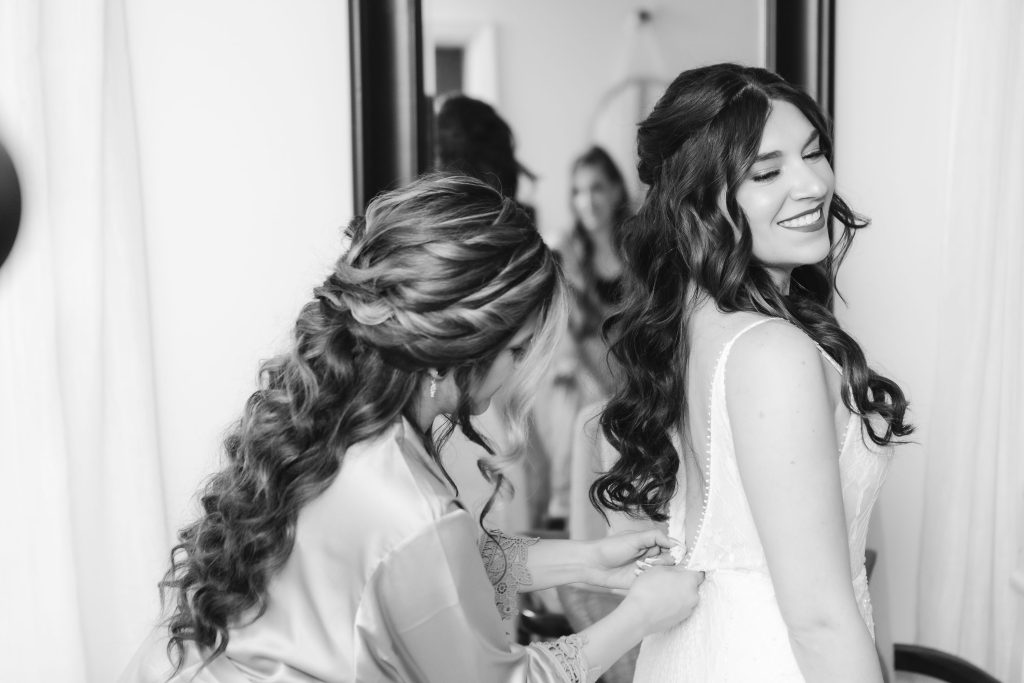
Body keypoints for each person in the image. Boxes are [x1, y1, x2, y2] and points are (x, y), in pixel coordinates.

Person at [119, 174, 704, 682]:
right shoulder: (404, 500)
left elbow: (422, 579)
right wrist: (640, 616)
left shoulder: (341, 422)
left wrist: (586, 562)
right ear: (454, 348)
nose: (520, 373)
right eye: (517, 350)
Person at [591, 63, 913, 682]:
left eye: (813, 154)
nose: (812, 185)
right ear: (696, 200)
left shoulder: (686, 332)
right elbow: (818, 621)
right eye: (766, 173)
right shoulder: (772, 352)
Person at [533, 146, 629, 531]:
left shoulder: (641, 245)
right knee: (568, 382)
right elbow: (579, 330)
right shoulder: (570, 253)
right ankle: (570, 507)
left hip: (638, 362)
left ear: (617, 190)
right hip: (596, 371)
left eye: (596, 188)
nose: (586, 201)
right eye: (577, 192)